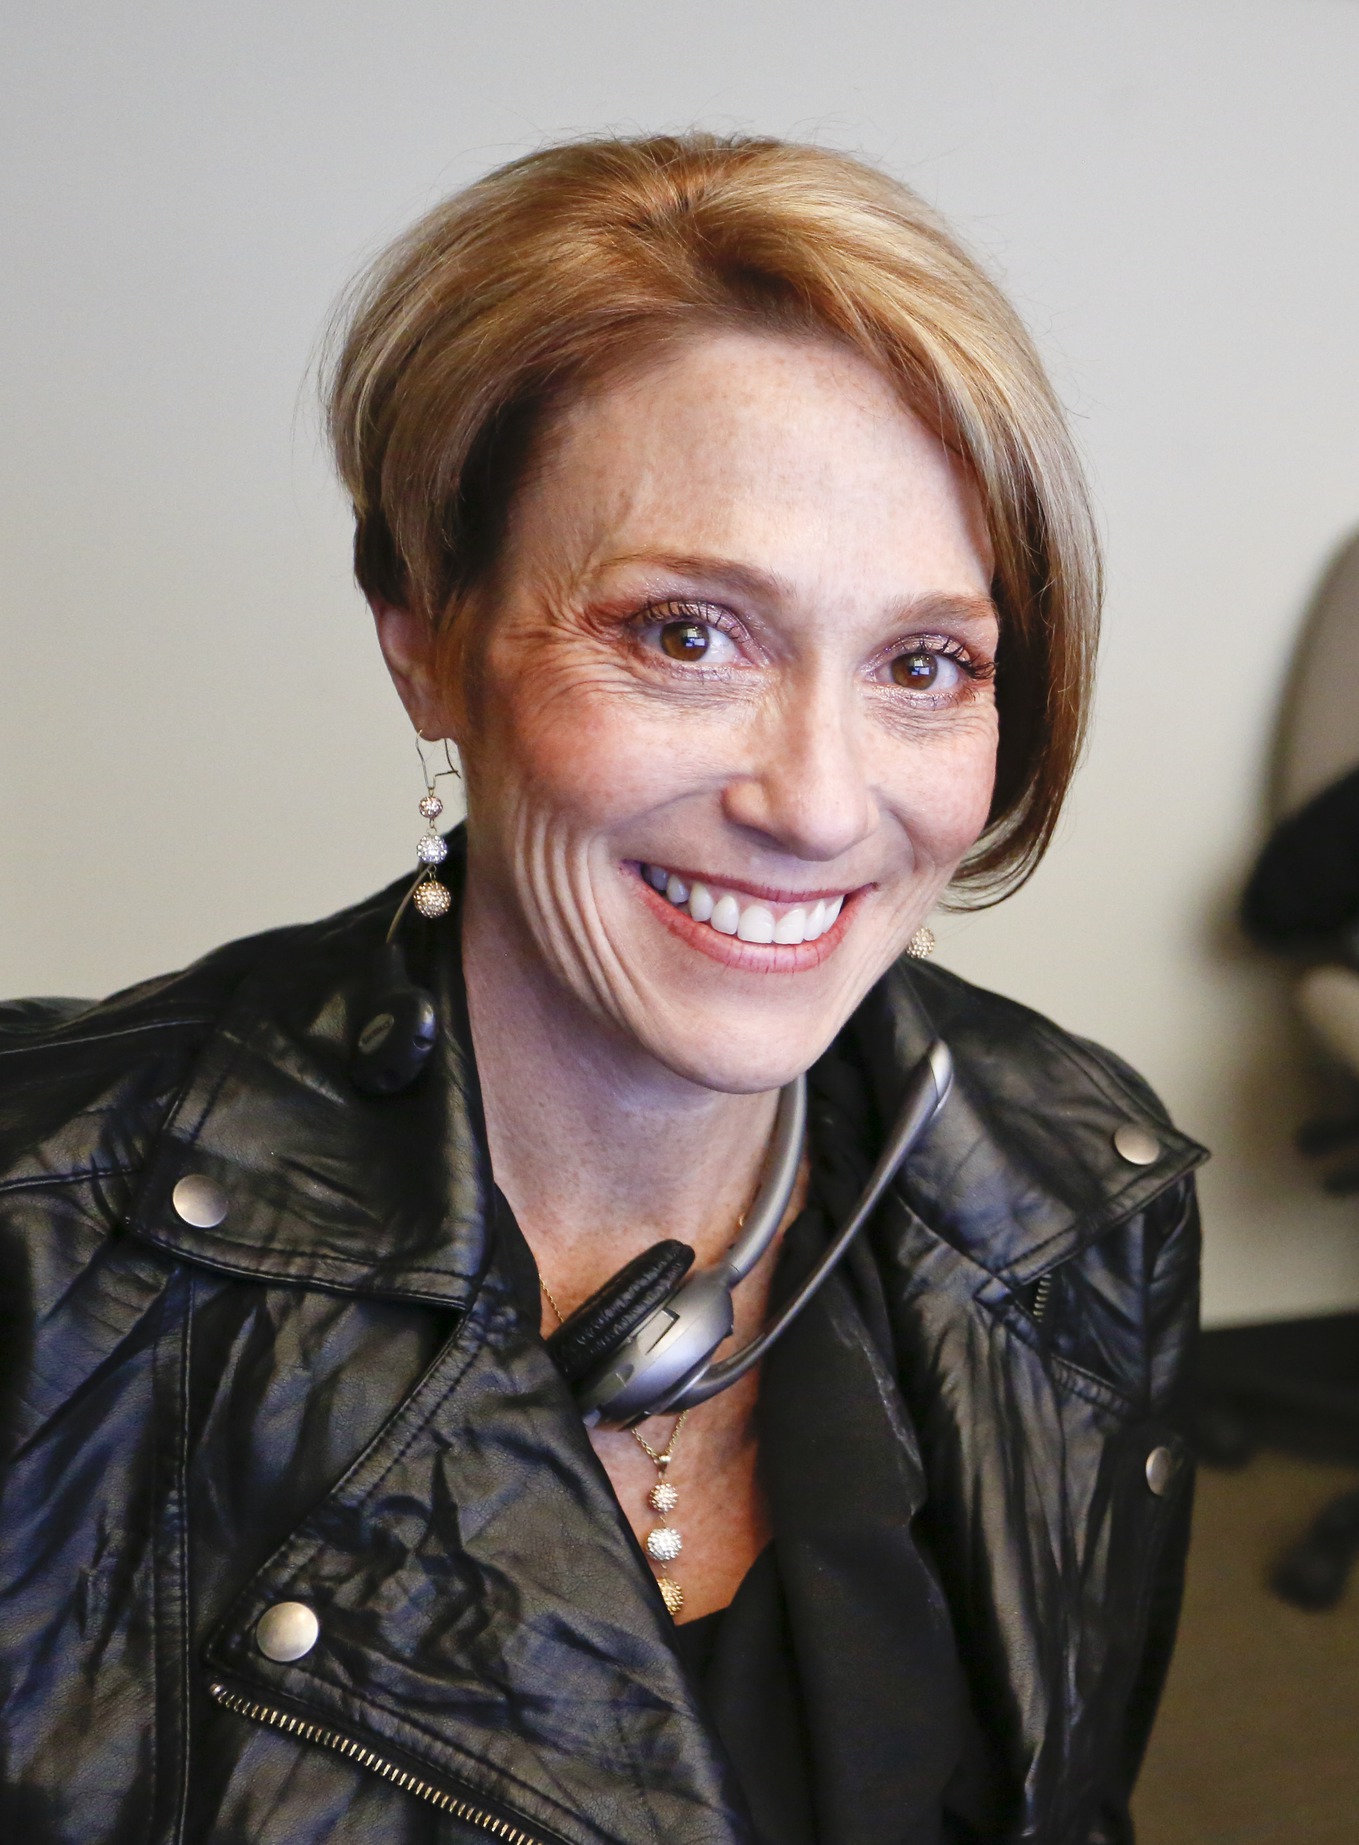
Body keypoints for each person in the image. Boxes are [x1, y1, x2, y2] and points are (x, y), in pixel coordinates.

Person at [0, 134, 1204, 1845]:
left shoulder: (1077, 1184)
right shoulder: (41, 1252)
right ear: (423, 630)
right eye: (686, 636)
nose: (818, 798)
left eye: (924, 663)